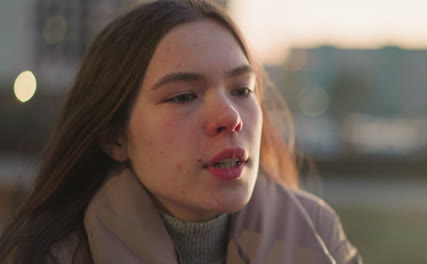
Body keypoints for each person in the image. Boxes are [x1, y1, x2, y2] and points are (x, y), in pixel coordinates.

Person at [0, 0, 362, 263]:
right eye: (184, 96)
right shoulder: (53, 255)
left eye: (242, 90)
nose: (230, 116)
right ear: (115, 139)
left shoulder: (317, 233)